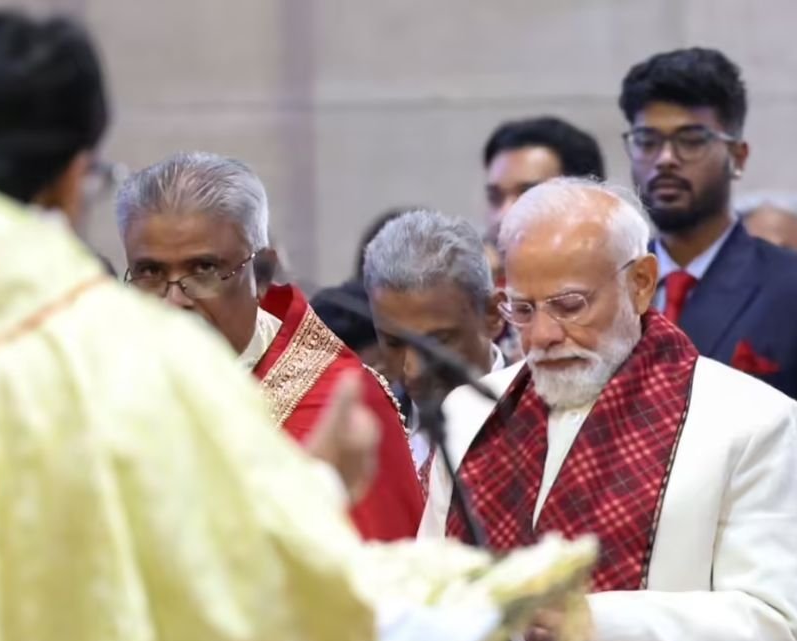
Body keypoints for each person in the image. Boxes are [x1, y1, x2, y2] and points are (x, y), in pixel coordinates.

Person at [0, 11, 544, 641]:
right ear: (72, 176)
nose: (178, 294)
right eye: (152, 270)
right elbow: (234, 616)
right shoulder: (121, 359)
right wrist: (317, 490)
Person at [421, 177, 797, 641]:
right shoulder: (469, 412)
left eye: (570, 305)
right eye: (522, 310)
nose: (543, 336)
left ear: (641, 282)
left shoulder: (752, 422)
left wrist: (587, 627)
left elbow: (778, 639)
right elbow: (428, 592)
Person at [116, 151, 423, 541]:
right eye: (150, 273)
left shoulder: (340, 404)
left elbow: (371, 581)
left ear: (262, 273)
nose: (174, 300)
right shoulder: (104, 395)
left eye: (204, 270)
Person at [620, 46, 797, 399]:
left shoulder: (787, 285)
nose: (666, 159)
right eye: (647, 141)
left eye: (691, 140)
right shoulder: (610, 285)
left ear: (737, 156)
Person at [361, 209, 505, 490]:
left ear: (492, 314)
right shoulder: (364, 436)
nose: (413, 371)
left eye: (436, 343)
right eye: (393, 343)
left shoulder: (539, 423)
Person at [482, 116, 605, 366]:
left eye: (528, 194)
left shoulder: (612, 295)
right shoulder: (485, 297)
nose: (503, 214)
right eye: (495, 197)